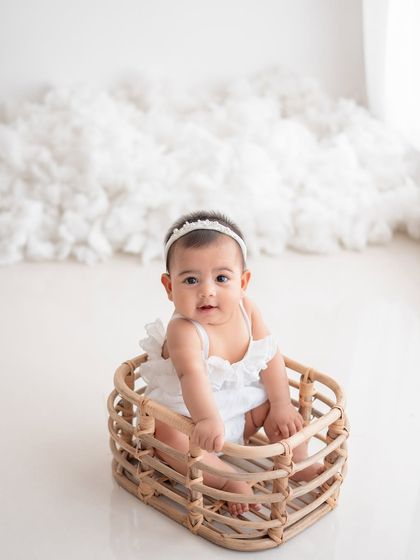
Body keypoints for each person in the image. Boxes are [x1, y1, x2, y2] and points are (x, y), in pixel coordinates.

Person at [139, 210, 323, 516]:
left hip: (242, 411)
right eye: (191, 279)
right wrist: (207, 420)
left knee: (286, 416)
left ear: (243, 282)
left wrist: (279, 404)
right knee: (163, 435)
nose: (207, 290)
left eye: (222, 278)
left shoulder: (248, 310)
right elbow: (191, 376)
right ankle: (226, 480)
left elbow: (270, 355)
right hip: (193, 417)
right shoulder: (183, 329)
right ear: (169, 287)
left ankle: (296, 462)